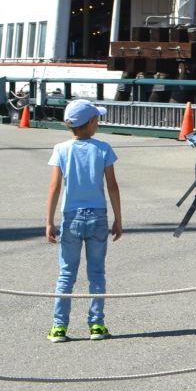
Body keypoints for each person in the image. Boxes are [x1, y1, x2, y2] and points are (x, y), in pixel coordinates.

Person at [45, 99, 123, 342]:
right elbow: (112, 186)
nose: (97, 123)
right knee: (97, 272)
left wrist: (49, 221)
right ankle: (97, 325)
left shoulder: (61, 149)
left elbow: (55, 187)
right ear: (90, 123)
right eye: (96, 119)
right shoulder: (103, 149)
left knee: (66, 273)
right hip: (98, 216)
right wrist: (118, 219)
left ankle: (59, 327)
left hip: (71, 217)